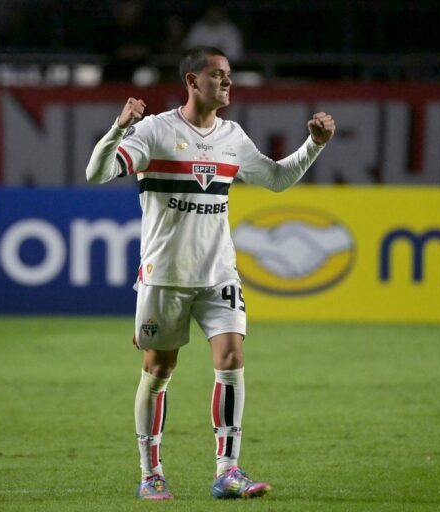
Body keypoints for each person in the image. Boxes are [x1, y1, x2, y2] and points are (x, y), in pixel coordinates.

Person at [85, 46, 335, 500]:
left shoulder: (232, 136)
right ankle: (150, 473)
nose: (227, 82)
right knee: (158, 369)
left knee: (232, 359)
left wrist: (313, 146)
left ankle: (228, 471)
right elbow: (96, 172)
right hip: (165, 276)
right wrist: (119, 128)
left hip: (219, 273)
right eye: (218, 75)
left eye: (229, 75)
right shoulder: (155, 130)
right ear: (192, 81)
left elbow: (277, 178)